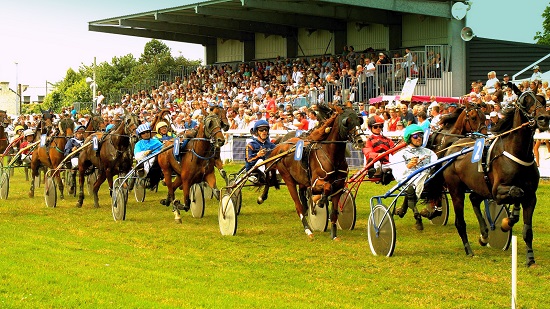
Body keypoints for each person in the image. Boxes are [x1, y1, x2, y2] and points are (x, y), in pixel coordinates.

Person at [389, 124, 438, 231]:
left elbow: (435, 166)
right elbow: (398, 174)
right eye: (415, 136)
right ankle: (415, 213)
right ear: (409, 138)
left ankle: (404, 209)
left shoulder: (429, 153)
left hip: (428, 180)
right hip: (409, 181)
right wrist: (408, 166)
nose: (419, 138)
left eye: (420, 135)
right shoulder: (400, 155)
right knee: (417, 181)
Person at [350, 116, 395, 181]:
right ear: (370, 127)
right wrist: (378, 155)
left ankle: (388, 173)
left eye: (380, 126)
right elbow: (368, 153)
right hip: (375, 163)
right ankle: (375, 173)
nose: (378, 128)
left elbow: (395, 152)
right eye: (375, 127)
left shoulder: (388, 140)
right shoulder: (368, 140)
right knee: (377, 164)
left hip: (387, 164)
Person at [245, 120, 276, 184]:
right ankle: (263, 177)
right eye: (261, 130)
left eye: (266, 129)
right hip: (253, 169)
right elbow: (249, 160)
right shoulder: (251, 145)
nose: (264, 131)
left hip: (268, 168)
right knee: (260, 161)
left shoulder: (271, 145)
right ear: (256, 132)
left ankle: (274, 177)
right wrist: (257, 155)